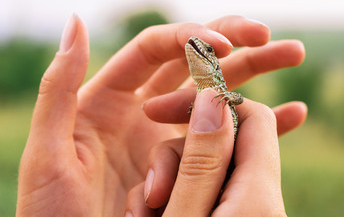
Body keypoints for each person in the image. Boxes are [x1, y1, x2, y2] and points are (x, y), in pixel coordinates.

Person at [16, 14, 307, 217]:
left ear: (213, 63)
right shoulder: (201, 95)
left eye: (205, 50)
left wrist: (224, 102)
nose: (195, 50)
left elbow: (239, 99)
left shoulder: (218, 88)